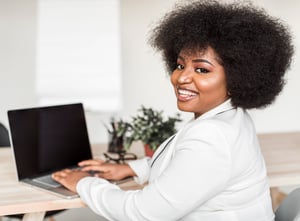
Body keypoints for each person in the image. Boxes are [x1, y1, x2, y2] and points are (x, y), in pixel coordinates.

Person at [52, 1, 294, 220]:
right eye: (180, 65)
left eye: (202, 70)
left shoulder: (212, 138)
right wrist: (131, 169)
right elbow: (186, 166)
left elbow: (142, 213)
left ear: (238, 79)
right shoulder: (229, 118)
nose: (181, 78)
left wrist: (84, 183)